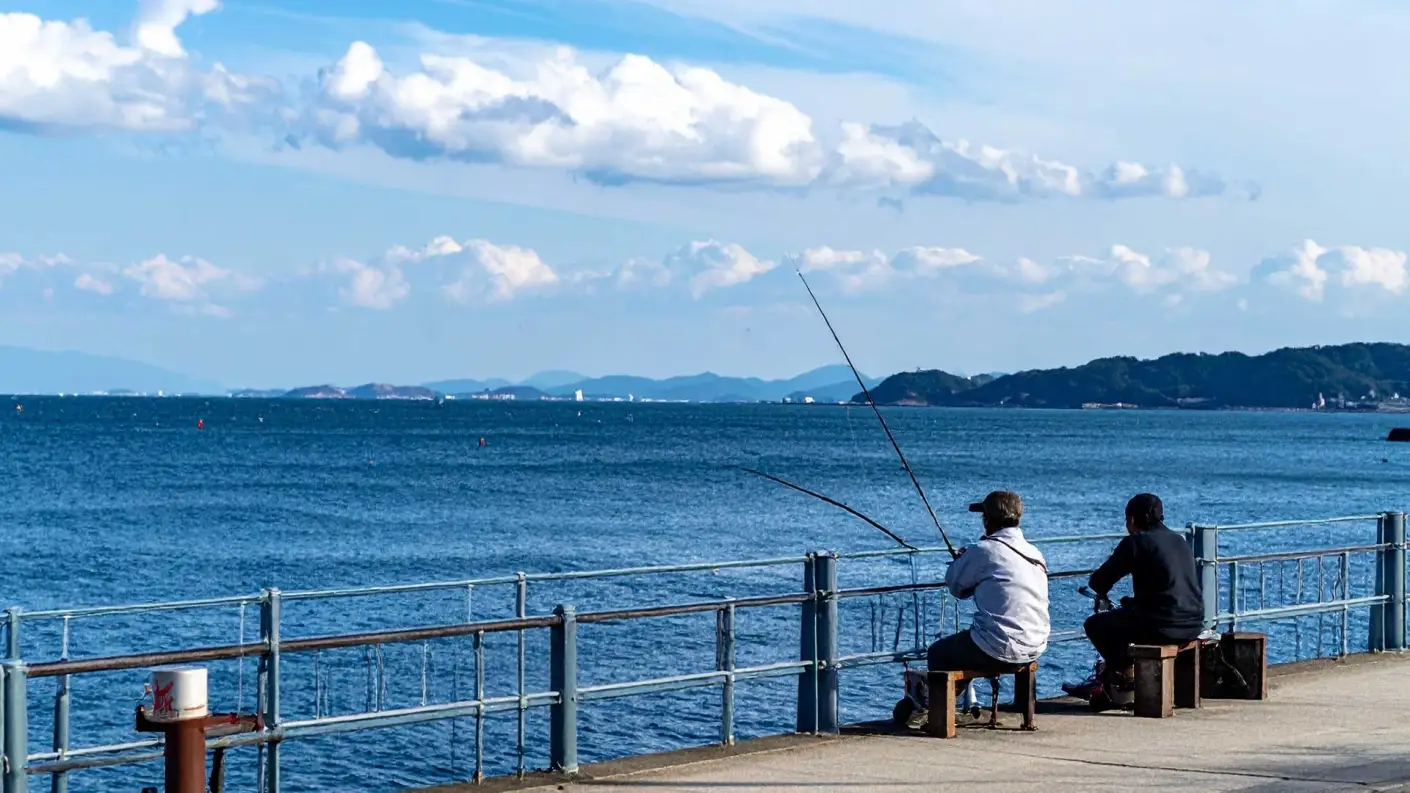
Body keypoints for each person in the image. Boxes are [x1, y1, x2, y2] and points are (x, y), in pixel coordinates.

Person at [1071, 493, 1204, 706]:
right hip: (1194, 623)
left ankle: (1125, 679)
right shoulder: (1179, 541)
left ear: (1131, 520)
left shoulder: (1136, 542)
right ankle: (1120, 680)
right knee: (1128, 618)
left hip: (1162, 626)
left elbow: (1099, 581)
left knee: (1095, 625)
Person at [928, 490, 1051, 675]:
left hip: (999, 647)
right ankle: (963, 691)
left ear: (987, 520)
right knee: (972, 642)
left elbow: (955, 586)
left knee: (937, 653)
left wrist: (961, 561)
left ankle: (948, 694)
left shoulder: (983, 550)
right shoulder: (1034, 552)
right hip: (1036, 644)